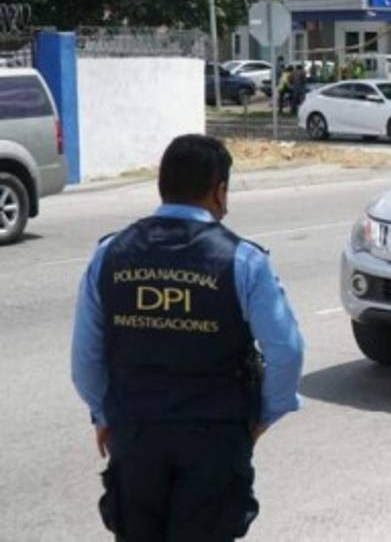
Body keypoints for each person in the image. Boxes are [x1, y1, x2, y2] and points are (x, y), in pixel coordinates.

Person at [71, 135, 306, 541]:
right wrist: (260, 419)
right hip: (214, 439)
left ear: (162, 185)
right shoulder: (244, 260)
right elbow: (286, 352)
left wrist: (104, 414)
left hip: (136, 433)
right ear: (219, 191)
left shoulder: (109, 254)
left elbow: (85, 361)